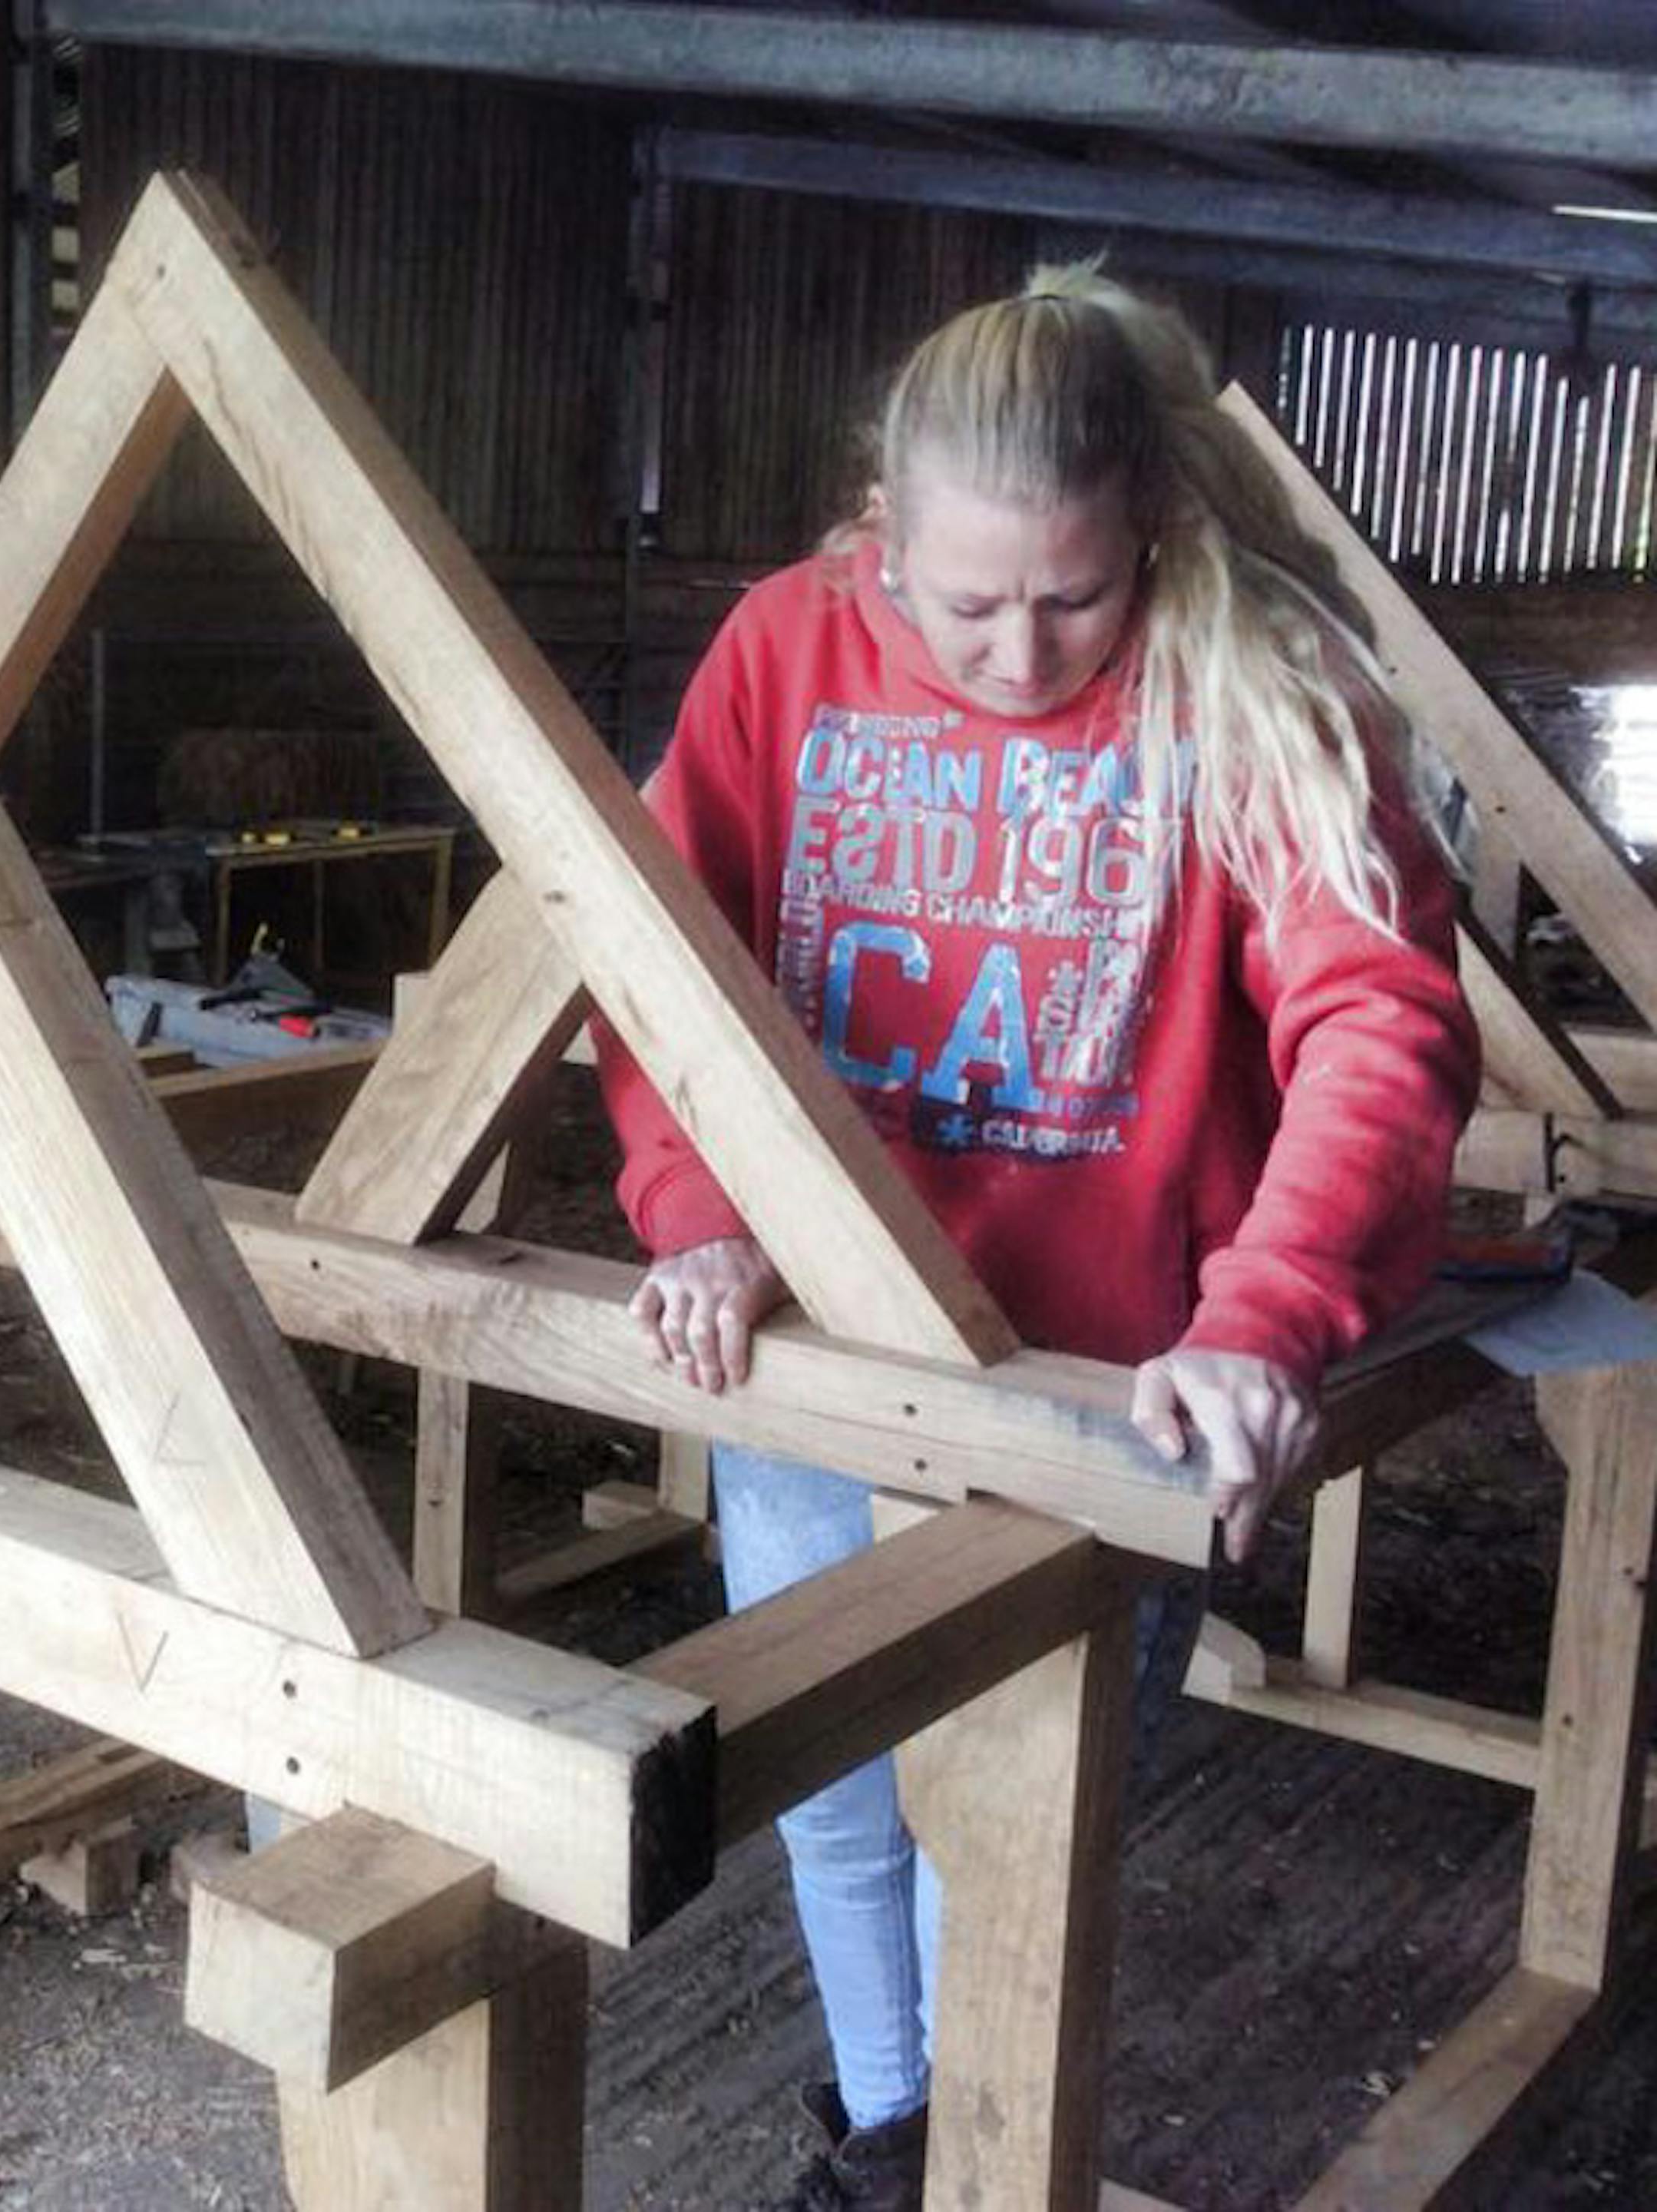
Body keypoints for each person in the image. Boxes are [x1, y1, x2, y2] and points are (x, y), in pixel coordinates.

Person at [597, 267, 1479, 2210]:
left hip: (1107, 1393)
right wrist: (706, 1207)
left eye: (1073, 598)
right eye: (965, 601)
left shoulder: (1254, 679)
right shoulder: (781, 651)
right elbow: (661, 964)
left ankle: (968, 2148)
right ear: (877, 534)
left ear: (1152, 528)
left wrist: (1267, 1315)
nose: (1014, 651)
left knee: (1016, 1825)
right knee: (832, 1787)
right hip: (824, 1354)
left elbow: (1382, 1024)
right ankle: (897, 2135)